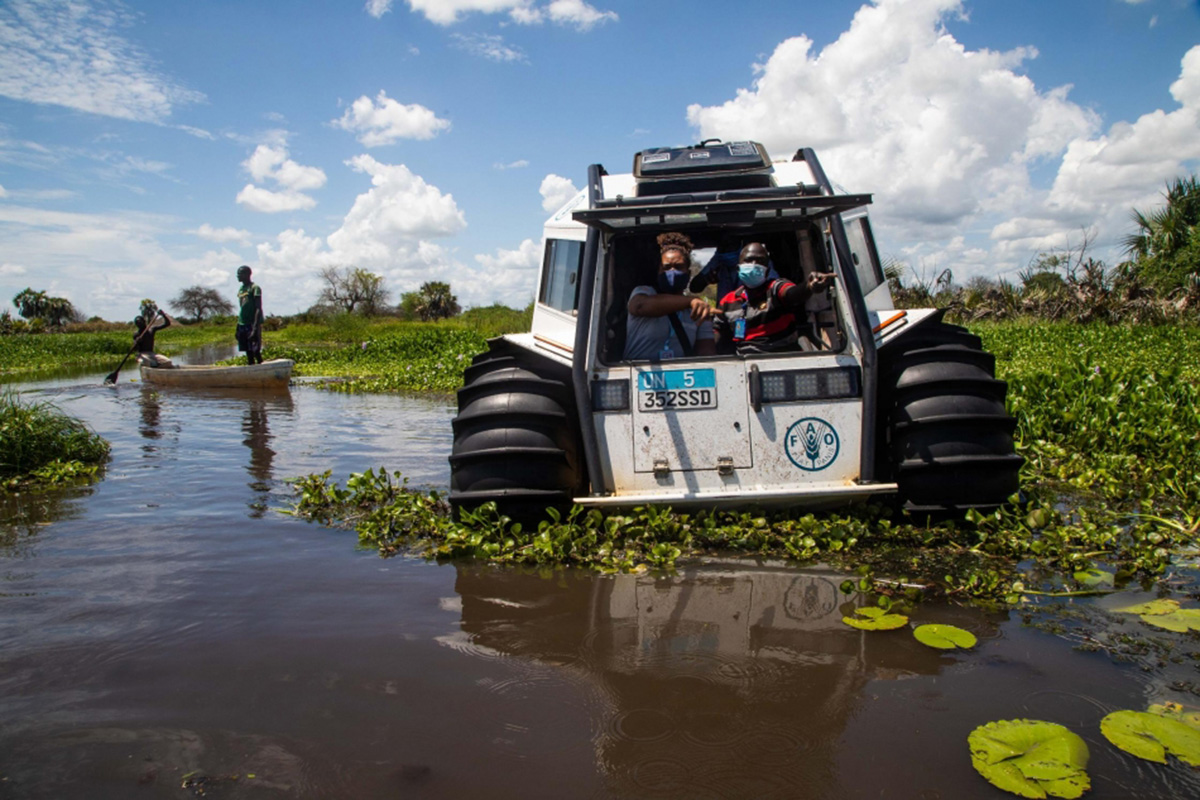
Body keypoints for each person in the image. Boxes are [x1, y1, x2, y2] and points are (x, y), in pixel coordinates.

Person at [713, 242, 835, 354]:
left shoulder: (775, 288)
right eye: (749, 260)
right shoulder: (727, 301)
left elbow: (792, 294)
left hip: (781, 360)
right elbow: (718, 339)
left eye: (760, 261)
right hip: (744, 361)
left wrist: (809, 286)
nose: (754, 265)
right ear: (738, 268)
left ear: (767, 271)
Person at [623, 232, 716, 360]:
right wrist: (690, 301)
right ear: (659, 271)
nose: (672, 272)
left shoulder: (696, 310)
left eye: (678, 267)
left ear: (688, 273)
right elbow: (639, 306)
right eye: (666, 268)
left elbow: (706, 353)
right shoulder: (644, 293)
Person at [689, 234, 779, 299]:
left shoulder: (757, 260)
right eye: (722, 245)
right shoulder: (718, 260)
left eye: (730, 244)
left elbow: (776, 286)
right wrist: (707, 279)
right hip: (728, 312)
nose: (726, 249)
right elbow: (694, 287)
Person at [236, 265, 264, 365]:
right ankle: (252, 369)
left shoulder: (255, 288)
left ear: (247, 274)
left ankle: (262, 368)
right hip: (242, 323)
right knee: (248, 351)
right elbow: (242, 308)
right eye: (237, 274)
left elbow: (258, 308)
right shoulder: (241, 289)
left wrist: (255, 327)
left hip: (252, 323)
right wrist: (238, 326)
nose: (238, 276)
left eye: (240, 273)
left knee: (255, 350)